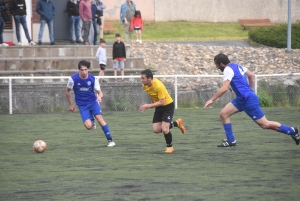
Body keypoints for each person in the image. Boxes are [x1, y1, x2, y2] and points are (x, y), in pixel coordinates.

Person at [203, 53, 299, 147]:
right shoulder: (237, 66)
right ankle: (231, 141)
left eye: (216, 65)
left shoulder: (227, 70)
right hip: (241, 99)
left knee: (265, 124)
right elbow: (252, 76)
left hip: (248, 100)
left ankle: (292, 131)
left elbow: (224, 88)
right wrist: (251, 91)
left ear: (221, 63)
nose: (217, 67)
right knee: (223, 114)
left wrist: (211, 100)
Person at [65, 60, 116, 147]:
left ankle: (110, 140)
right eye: (82, 70)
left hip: (93, 102)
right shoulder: (73, 79)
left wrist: (99, 97)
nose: (84, 72)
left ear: (88, 69)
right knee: (89, 127)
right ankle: (92, 121)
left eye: (85, 69)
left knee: (100, 119)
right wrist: (71, 104)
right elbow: (67, 91)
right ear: (79, 70)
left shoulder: (93, 79)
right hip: (82, 105)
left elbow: (100, 92)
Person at [139, 69, 186, 153]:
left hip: (167, 106)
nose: (141, 80)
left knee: (164, 129)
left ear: (149, 78)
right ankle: (177, 123)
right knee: (156, 130)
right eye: (141, 78)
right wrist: (153, 103)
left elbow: (162, 102)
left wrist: (148, 106)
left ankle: (170, 147)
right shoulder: (144, 85)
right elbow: (153, 96)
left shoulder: (158, 86)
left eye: (143, 78)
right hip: (159, 106)